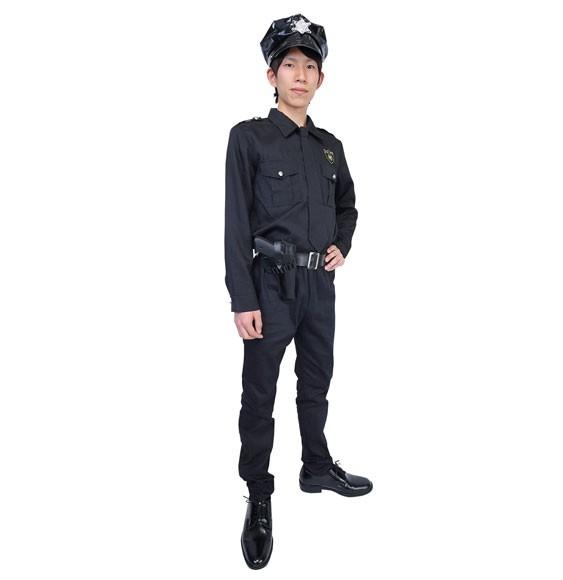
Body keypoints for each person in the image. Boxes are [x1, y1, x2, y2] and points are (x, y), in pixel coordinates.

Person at [224, 14, 373, 570]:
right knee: (259, 393)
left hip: (318, 285)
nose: (301, 75)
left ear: (321, 79)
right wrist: (243, 298)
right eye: (290, 65)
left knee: (316, 381)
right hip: (270, 283)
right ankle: (258, 493)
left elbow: (348, 206)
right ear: (272, 75)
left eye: (311, 66)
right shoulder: (249, 138)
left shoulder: (330, 148)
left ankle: (316, 466)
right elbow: (236, 223)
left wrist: (342, 245)